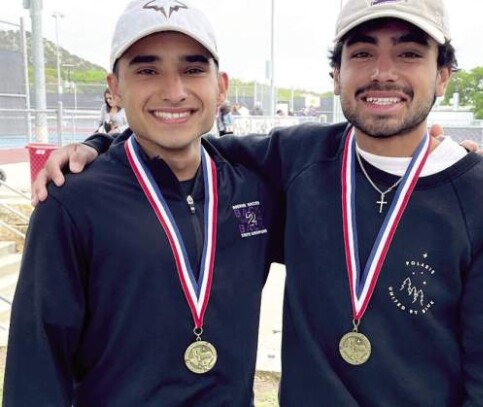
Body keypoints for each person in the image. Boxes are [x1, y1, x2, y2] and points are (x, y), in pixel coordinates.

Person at [30, 0, 483, 405]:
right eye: (361, 53)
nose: (383, 72)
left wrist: (463, 168)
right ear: (336, 74)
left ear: (443, 74)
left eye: (409, 53)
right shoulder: (299, 161)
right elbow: (178, 139)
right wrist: (98, 143)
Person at [3, 1, 282, 405]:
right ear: (115, 89)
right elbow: (37, 366)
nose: (173, 92)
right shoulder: (71, 202)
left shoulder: (253, 191)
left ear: (220, 86)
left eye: (192, 69)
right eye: (147, 70)